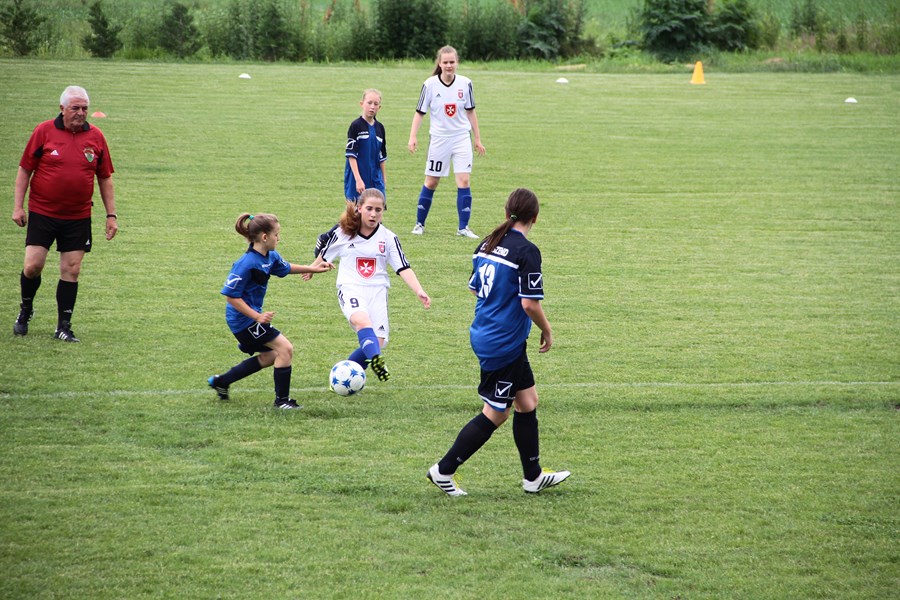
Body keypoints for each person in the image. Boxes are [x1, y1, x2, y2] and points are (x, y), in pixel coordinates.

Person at [427, 188, 570, 496]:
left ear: (507, 212)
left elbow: (475, 288)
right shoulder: (526, 251)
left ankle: (533, 477)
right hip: (503, 342)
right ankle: (443, 470)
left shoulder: (487, 243)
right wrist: (547, 329)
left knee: (527, 402)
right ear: (535, 218)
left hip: (491, 334)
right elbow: (529, 304)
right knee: (496, 412)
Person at [11, 85, 117, 342]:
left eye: (85, 108)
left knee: (72, 269)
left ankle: (63, 326)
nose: (81, 113)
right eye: (75, 108)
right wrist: (18, 206)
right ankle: (26, 310)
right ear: (62, 108)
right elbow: (25, 170)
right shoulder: (44, 131)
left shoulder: (96, 137)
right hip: (43, 212)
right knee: (33, 266)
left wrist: (111, 215)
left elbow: (104, 177)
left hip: (78, 216)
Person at [208, 213, 333, 410]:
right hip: (243, 321)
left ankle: (222, 381)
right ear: (265, 237)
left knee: (273, 356)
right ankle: (282, 401)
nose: (279, 238)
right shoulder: (246, 263)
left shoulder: (270, 256)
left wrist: (313, 268)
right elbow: (231, 296)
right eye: (277, 234)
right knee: (285, 349)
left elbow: (286, 268)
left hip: (251, 320)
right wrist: (257, 316)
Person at [306, 188, 431, 382]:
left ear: (383, 211)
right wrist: (311, 269)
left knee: (377, 342)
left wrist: (419, 290)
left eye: (378, 210)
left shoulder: (389, 238)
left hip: (378, 292)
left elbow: (403, 267)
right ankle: (376, 361)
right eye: (369, 209)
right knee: (362, 322)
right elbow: (324, 255)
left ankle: (343, 377)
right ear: (359, 208)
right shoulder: (343, 233)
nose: (373, 214)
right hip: (351, 288)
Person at [408, 45, 485, 239]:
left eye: (452, 62)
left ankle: (463, 228)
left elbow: (471, 112)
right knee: (432, 181)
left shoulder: (466, 83)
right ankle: (419, 224)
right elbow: (419, 113)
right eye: (445, 62)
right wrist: (413, 136)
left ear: (457, 63)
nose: (449, 65)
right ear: (439, 64)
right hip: (439, 139)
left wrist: (477, 138)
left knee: (464, 180)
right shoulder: (430, 85)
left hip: (461, 138)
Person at [314, 89, 388, 258]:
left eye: (376, 104)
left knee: (376, 213)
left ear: (380, 107)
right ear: (362, 104)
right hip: (357, 178)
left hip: (375, 179)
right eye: (369, 103)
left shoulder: (380, 128)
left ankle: (373, 251)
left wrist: (383, 178)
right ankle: (326, 238)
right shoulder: (356, 126)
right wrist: (358, 179)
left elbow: (382, 156)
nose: (372, 107)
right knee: (355, 215)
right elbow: (351, 155)